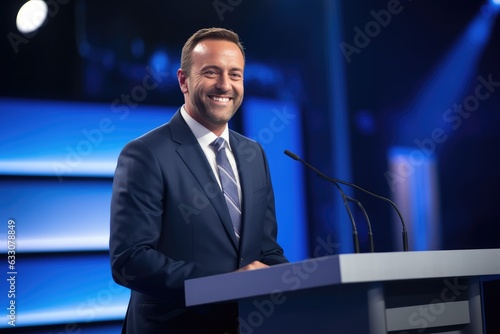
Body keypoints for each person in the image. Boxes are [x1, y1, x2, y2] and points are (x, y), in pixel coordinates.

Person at [109, 27, 288, 333]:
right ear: (183, 80)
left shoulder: (253, 154)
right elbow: (131, 259)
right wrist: (224, 284)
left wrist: (300, 281)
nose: (225, 85)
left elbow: (266, 250)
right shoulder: (145, 154)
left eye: (235, 74)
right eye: (211, 72)